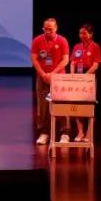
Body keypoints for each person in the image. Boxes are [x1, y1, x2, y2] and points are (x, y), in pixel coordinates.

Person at [31, 17, 70, 145]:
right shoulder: (37, 40)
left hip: (59, 78)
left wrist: (53, 73)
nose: (48, 31)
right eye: (45, 29)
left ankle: (64, 133)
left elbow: (65, 60)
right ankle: (44, 132)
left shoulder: (62, 40)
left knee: (62, 104)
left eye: (50, 29)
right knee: (42, 105)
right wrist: (43, 74)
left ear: (56, 28)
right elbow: (34, 59)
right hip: (42, 78)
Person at [71, 23, 101, 141]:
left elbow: (95, 65)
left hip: (89, 78)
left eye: (84, 33)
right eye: (80, 33)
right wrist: (73, 76)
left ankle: (89, 132)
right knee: (77, 106)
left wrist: (85, 77)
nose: (82, 35)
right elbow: (73, 62)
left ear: (91, 34)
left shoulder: (95, 47)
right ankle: (80, 132)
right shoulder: (77, 46)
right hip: (77, 78)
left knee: (89, 107)